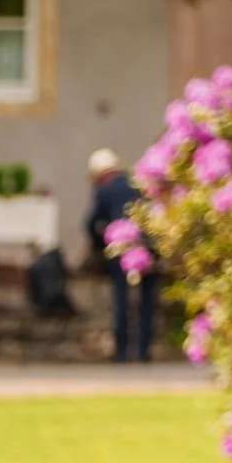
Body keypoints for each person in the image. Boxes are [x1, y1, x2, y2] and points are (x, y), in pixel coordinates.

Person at [87, 146, 159, 363]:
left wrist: (98, 247)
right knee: (147, 303)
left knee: (121, 300)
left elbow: (91, 223)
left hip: (121, 248)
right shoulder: (138, 183)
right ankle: (144, 350)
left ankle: (122, 351)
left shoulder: (105, 190)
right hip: (148, 247)